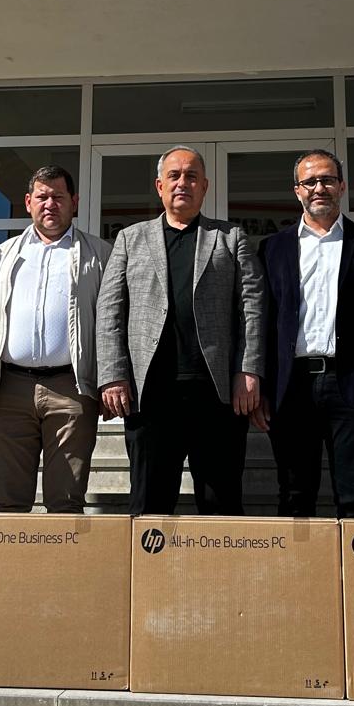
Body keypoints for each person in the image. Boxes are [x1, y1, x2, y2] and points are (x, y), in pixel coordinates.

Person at [97, 145, 264, 515]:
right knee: (149, 503)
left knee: (220, 503)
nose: (182, 183)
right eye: (174, 176)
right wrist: (112, 375)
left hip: (217, 392)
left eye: (191, 176)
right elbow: (110, 311)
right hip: (150, 392)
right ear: (160, 186)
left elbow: (251, 308)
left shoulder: (230, 238)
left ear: (204, 186)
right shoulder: (130, 239)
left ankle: (219, 557)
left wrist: (248, 370)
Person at [258, 149, 354, 517]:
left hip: (351, 384)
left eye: (327, 180)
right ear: (297, 190)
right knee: (294, 495)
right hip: (291, 387)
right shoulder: (272, 249)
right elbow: (261, 323)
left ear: (342, 186)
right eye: (309, 182)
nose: (319, 188)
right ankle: (299, 559)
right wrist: (260, 386)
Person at [0, 164, 111, 513]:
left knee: (66, 501)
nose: (50, 204)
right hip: (10, 389)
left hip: (71, 388)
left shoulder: (100, 254)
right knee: (8, 502)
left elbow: (111, 323)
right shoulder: (1, 255)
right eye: (42, 197)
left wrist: (108, 380)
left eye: (58, 196)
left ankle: (63, 553)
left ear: (75, 202)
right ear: (28, 202)